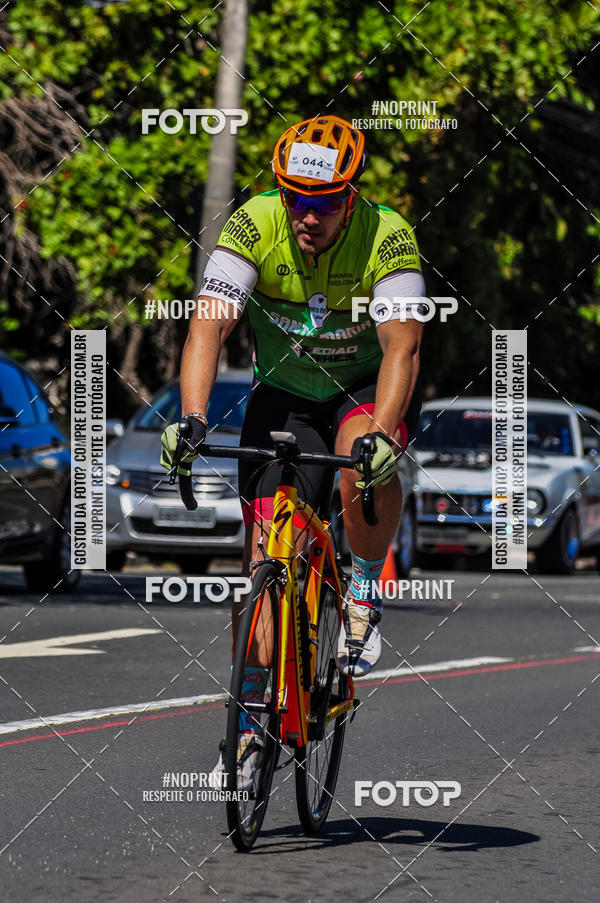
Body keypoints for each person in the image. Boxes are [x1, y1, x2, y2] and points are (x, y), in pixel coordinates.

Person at [161, 114, 424, 781]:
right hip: (284, 395)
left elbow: (403, 348)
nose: (307, 215)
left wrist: (384, 434)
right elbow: (208, 328)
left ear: (350, 195)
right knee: (263, 562)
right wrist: (192, 418)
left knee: (363, 453)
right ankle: (251, 730)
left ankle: (362, 590)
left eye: (324, 202)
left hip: (363, 389)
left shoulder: (388, 235)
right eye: (295, 198)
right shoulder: (254, 224)